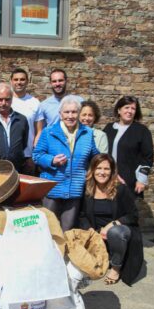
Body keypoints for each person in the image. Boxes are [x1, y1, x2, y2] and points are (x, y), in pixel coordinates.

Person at [33, 95, 99, 232]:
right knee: (48, 230)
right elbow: (37, 155)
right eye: (66, 112)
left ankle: (65, 254)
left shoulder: (87, 133)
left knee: (67, 231)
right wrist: (52, 160)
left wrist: (110, 168)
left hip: (75, 190)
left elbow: (95, 156)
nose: (70, 115)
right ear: (60, 114)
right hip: (52, 189)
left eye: (74, 112)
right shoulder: (48, 132)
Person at [79, 154, 144, 285]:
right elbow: (81, 215)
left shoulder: (121, 189)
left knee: (115, 232)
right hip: (96, 231)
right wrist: (91, 230)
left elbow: (134, 215)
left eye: (106, 169)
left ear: (112, 171)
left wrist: (112, 224)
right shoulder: (87, 189)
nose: (102, 172)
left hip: (119, 230)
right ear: (92, 170)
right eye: (98, 168)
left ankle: (116, 267)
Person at [103, 96, 154, 197]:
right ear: (119, 110)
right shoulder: (108, 128)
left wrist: (141, 180)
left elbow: (147, 158)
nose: (130, 111)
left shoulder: (142, 131)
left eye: (133, 108)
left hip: (130, 182)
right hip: (107, 179)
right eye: (127, 107)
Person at [9, 68, 41, 175]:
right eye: (16, 79)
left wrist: (33, 156)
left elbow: (39, 131)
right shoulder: (4, 101)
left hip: (27, 157)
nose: (19, 82)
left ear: (27, 81)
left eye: (22, 79)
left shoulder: (34, 103)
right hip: (8, 155)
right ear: (11, 81)